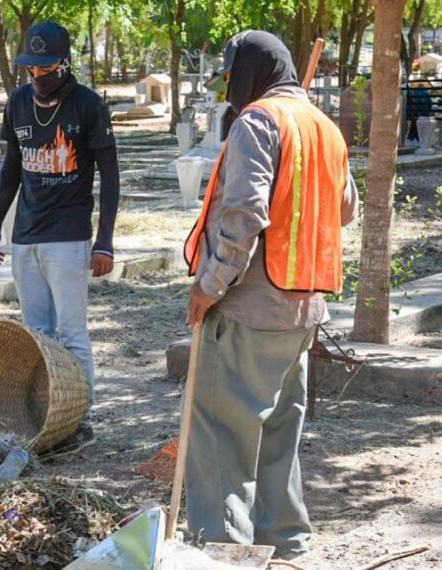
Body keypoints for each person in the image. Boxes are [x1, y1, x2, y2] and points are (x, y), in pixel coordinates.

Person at [183, 31, 357, 558]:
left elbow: (243, 216)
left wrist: (209, 285)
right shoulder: (324, 128)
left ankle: (225, 553)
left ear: (251, 73)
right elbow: (344, 209)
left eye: (231, 77)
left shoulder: (258, 122)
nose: (230, 90)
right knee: (279, 431)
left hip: (248, 308)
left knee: (220, 435)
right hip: (303, 307)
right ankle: (286, 539)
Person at [0, 21, 120, 452]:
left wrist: (104, 241)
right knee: (37, 332)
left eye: (44, 70)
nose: (36, 78)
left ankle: (83, 419)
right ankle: (49, 416)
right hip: (25, 236)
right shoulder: (18, 103)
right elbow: (11, 170)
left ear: (64, 65)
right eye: (30, 70)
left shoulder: (89, 106)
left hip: (68, 235)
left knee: (72, 333)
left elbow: (110, 177)